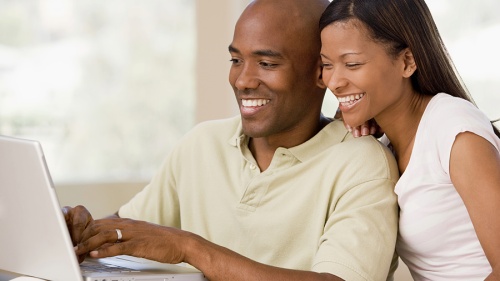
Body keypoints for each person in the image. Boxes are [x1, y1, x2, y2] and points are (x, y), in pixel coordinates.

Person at [64, 0, 401, 280]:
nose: (242, 81)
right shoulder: (202, 144)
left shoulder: (361, 164)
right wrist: (73, 230)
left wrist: (189, 248)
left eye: (267, 63)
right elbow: (127, 230)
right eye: (236, 60)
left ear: (321, 72)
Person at [319, 0, 500, 280]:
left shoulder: (453, 130)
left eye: (352, 64)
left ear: (407, 61)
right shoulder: (387, 143)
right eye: (327, 65)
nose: (334, 81)